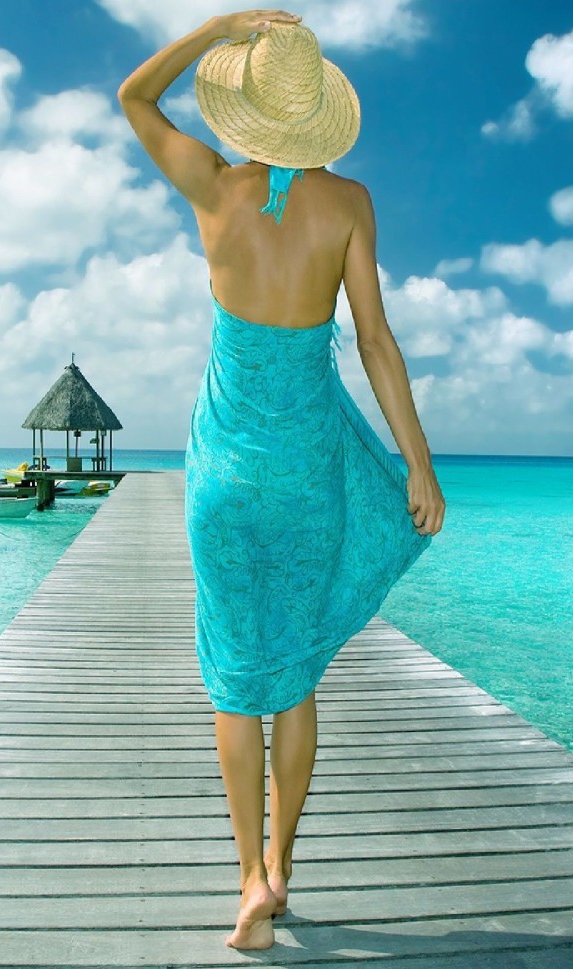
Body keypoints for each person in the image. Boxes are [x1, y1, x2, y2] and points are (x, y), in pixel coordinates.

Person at [119, 9, 445, 951]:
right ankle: (285, 871)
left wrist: (216, 25)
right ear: (314, 116)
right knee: (293, 678)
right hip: (308, 475)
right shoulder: (348, 205)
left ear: (246, 106)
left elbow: (134, 96)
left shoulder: (212, 186)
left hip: (221, 473)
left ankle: (246, 881)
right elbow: (377, 343)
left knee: (234, 681)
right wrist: (416, 463)